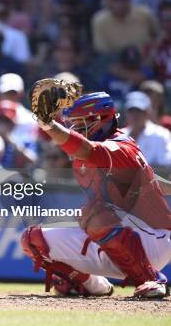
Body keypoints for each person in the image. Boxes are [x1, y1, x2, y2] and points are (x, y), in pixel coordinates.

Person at [23, 91, 170, 298]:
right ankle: (93, 286)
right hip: (123, 232)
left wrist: (49, 125)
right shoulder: (110, 148)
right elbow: (151, 181)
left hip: (153, 239)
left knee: (95, 214)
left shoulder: (118, 146)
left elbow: (87, 149)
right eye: (72, 123)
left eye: (81, 122)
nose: (75, 128)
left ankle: (151, 279)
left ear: (101, 120)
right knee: (32, 239)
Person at [92, 0, 159, 54]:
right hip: (114, 63)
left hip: (145, 60)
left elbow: (157, 37)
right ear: (108, 0)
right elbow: (101, 51)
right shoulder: (99, 21)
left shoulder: (145, 14)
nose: (119, 3)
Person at [122, 91, 171, 167]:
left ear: (148, 112)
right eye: (132, 111)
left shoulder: (161, 135)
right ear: (126, 113)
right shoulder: (120, 135)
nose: (135, 115)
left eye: (139, 111)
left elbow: (166, 166)